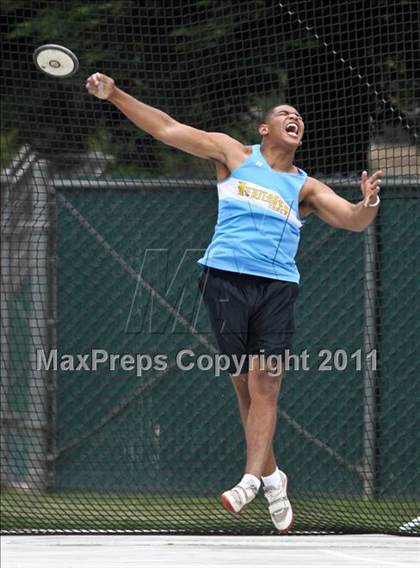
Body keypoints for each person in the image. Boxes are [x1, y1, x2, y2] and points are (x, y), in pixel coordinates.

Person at [86, 72, 381, 532]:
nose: (294, 118)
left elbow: (352, 220)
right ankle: (273, 477)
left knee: (267, 383)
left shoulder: (306, 187)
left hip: (278, 287)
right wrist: (115, 94)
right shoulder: (233, 154)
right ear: (264, 128)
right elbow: (165, 128)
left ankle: (249, 479)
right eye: (285, 114)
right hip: (224, 279)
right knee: (244, 387)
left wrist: (368, 204)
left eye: (299, 116)